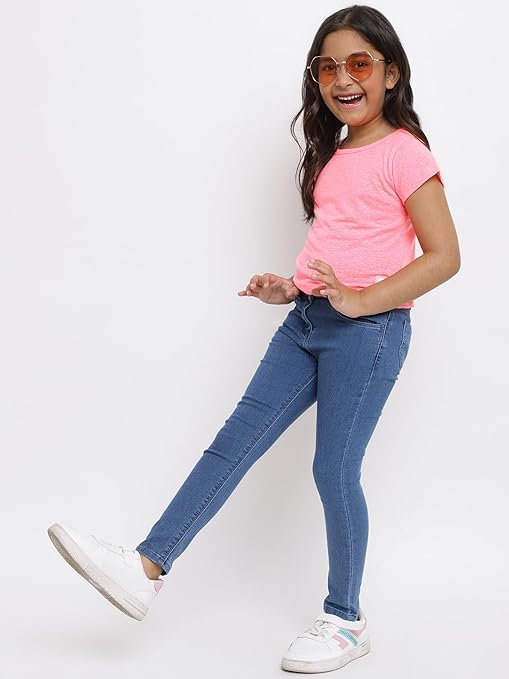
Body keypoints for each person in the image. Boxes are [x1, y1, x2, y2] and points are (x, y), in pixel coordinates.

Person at [47, 4, 460, 674]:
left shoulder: (406, 153)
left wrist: (361, 300)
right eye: (327, 67)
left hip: (369, 333)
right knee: (233, 441)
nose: (342, 79)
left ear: (391, 73)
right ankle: (146, 567)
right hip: (306, 324)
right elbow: (344, 241)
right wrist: (292, 287)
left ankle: (345, 620)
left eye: (359, 64)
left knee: (333, 468)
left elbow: (444, 256)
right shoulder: (334, 154)